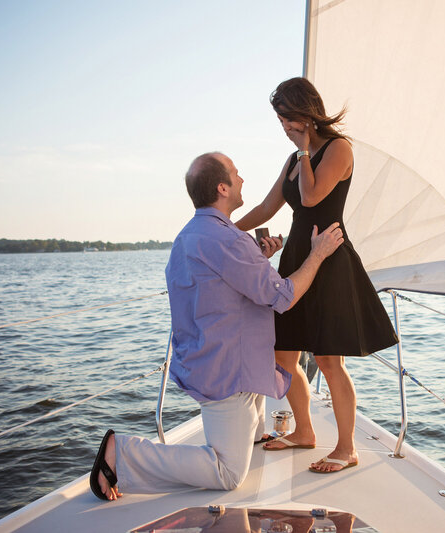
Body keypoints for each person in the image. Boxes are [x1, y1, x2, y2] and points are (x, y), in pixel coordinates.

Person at [90, 151, 344, 500]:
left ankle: (250, 434)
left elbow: (221, 286)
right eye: (236, 174)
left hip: (206, 359)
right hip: (229, 371)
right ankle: (124, 454)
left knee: (248, 428)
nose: (242, 180)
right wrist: (318, 253)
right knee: (228, 473)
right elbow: (283, 296)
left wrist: (259, 259)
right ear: (223, 188)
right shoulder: (229, 241)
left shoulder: (190, 235)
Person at [236, 78, 398, 473]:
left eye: (288, 118)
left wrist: (305, 149)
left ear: (306, 114)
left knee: (328, 360)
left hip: (328, 259)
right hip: (295, 258)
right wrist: (223, 230)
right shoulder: (293, 160)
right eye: (280, 120)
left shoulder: (337, 149)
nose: (284, 127)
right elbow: (266, 207)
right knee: (283, 356)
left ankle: (346, 448)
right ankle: (305, 432)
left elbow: (311, 197)